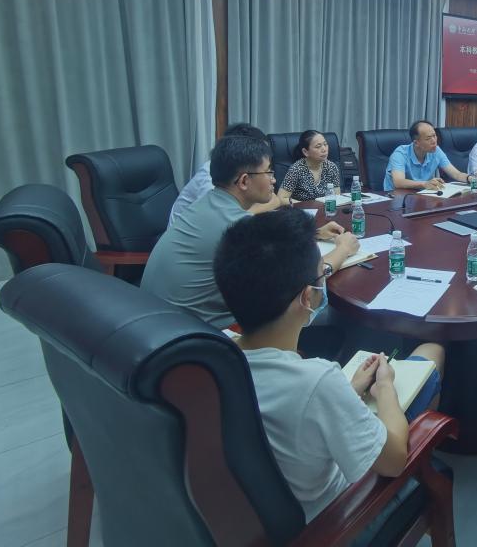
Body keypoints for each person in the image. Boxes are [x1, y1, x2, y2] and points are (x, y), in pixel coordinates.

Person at [213, 208, 445, 525]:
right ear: (307, 297)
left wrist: (349, 391)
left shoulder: (213, 356)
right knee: (431, 351)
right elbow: (392, 461)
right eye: (321, 273)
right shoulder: (317, 380)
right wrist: (385, 388)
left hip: (259, 512)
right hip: (335, 518)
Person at [142, 135, 359, 328]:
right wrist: (343, 250)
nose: (274, 179)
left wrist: (314, 234)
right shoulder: (236, 227)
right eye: (269, 171)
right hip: (206, 332)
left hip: (158, 321)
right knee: (323, 309)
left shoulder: (207, 204)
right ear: (244, 180)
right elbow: (302, 278)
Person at [168, 122, 282, 225]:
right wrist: (248, 212)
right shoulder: (211, 179)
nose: (265, 156)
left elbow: (274, 199)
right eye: (259, 151)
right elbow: (223, 218)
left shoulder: (235, 171)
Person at [384, 120, 468, 192]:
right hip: (396, 197)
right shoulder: (400, 154)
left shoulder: (436, 150)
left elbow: (456, 174)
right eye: (428, 138)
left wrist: (469, 178)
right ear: (416, 143)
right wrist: (424, 184)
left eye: (434, 136)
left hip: (422, 195)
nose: (434, 141)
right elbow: (398, 182)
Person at [278, 130, 342, 203]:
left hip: (327, 208)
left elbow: (337, 196)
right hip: (302, 209)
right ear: (305, 152)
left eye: (325, 144)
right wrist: (304, 206)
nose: (324, 149)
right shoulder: (297, 169)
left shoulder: (331, 167)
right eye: (318, 146)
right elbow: (281, 198)